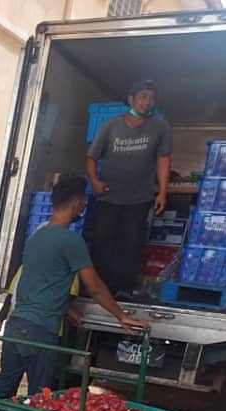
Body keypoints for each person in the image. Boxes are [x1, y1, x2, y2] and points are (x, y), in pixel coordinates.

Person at [0, 175, 148, 411]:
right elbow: (94, 285)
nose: (82, 209)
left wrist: (68, 309)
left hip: (17, 325)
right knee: (43, 396)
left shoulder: (38, 237)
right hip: (40, 330)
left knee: (4, 383)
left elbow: (43, 282)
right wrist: (122, 316)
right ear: (77, 203)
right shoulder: (71, 241)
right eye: (82, 204)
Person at [85, 78, 172, 295]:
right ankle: (98, 290)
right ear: (131, 99)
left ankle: (123, 289)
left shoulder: (160, 126)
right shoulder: (110, 126)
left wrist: (162, 192)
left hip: (139, 198)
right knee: (103, 242)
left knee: (131, 244)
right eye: (142, 97)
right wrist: (94, 181)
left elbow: (163, 159)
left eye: (151, 98)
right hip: (108, 197)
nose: (147, 102)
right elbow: (91, 157)